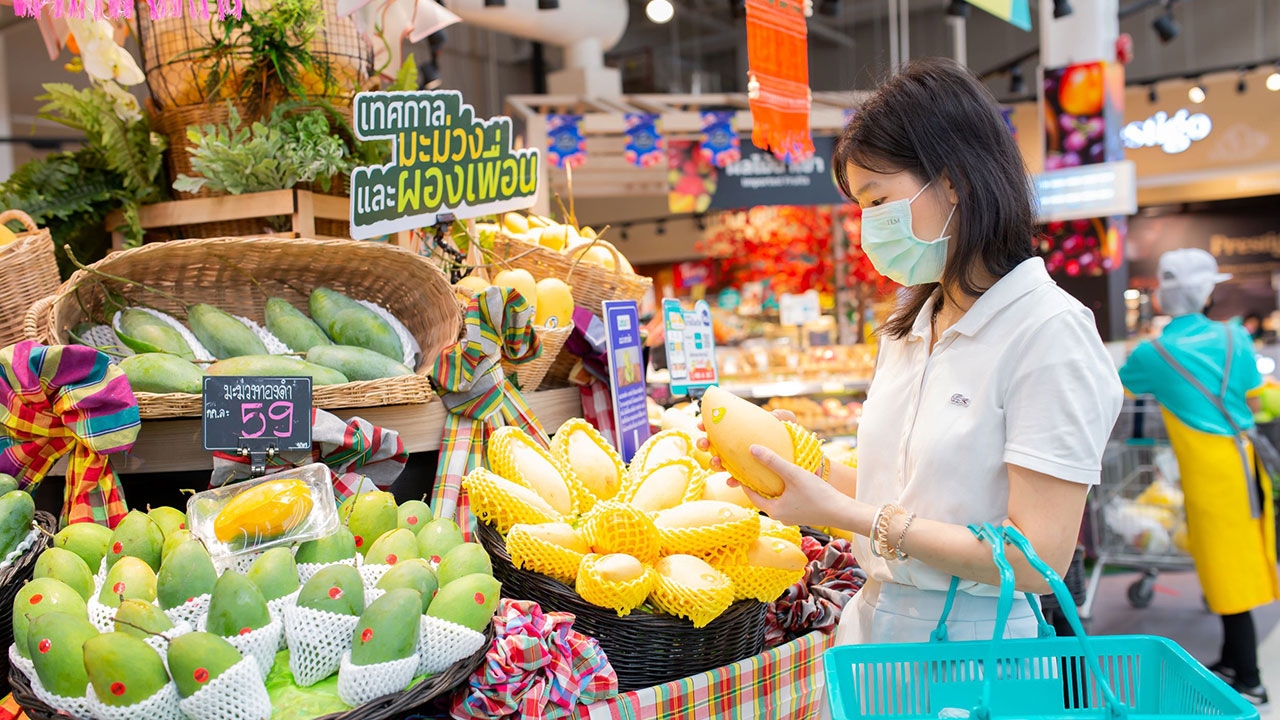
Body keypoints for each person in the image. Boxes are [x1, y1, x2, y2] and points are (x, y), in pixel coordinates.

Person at [698, 56, 1122, 678]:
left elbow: (1036, 558)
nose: (871, 225)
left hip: (978, 656)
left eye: (880, 199)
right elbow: (902, 491)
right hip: (875, 634)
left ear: (953, 181)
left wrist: (846, 515)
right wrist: (800, 470)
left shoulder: (1048, 333)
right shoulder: (912, 324)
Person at [1118, 248, 1279, 708]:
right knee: (1231, 568)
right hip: (1241, 462)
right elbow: (1250, 390)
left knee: (1225, 572)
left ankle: (1249, 679)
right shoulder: (1234, 338)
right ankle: (1235, 663)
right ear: (1208, 290)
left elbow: (1123, 384)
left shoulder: (1154, 353)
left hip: (1205, 474)